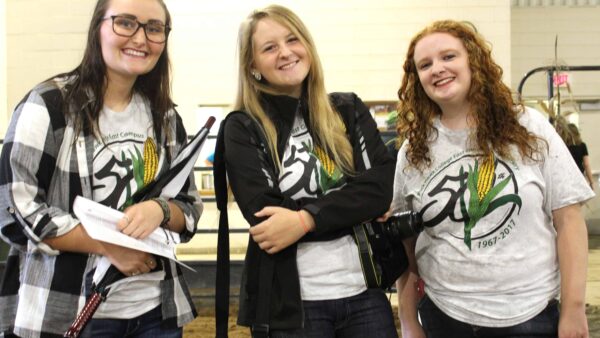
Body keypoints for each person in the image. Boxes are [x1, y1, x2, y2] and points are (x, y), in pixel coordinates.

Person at [0, 0, 202, 337]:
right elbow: (14, 210)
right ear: (99, 28)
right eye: (126, 23)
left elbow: (190, 207)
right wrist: (107, 245)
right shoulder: (48, 105)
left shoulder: (165, 116)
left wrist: (160, 210)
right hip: (70, 312)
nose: (141, 38)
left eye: (154, 28)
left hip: (156, 312)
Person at [391, 20, 594, 338]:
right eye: (425, 65)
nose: (438, 69)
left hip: (529, 316)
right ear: (417, 79)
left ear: (473, 60)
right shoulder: (413, 151)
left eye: (448, 57)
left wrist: (573, 308)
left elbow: (569, 221)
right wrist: (408, 320)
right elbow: (405, 244)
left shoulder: (527, 127)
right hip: (445, 315)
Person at [214, 4, 397, 337]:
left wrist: (303, 220)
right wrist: (354, 208)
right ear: (252, 65)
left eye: (292, 40)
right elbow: (266, 220)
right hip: (292, 307)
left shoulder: (348, 109)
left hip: (364, 295)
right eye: (269, 48)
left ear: (308, 46)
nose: (285, 53)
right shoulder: (243, 127)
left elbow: (381, 188)